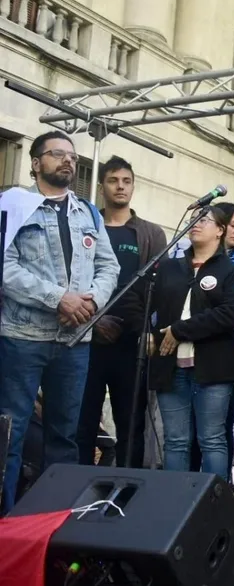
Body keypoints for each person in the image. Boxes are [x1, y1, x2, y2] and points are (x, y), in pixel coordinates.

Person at [0, 131, 120, 513]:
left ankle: (51, 522)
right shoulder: (13, 206)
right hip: (22, 337)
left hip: (74, 342)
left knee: (64, 437)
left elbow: (108, 266)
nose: (68, 161)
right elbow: (5, 267)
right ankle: (6, 519)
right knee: (10, 434)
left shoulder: (87, 212)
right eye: (57, 154)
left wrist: (92, 301)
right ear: (35, 163)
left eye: (72, 155)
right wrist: (58, 299)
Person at [77, 155, 167, 469]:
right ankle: (75, 491)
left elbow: (160, 289)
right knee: (82, 422)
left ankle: (128, 494)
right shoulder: (86, 226)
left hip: (132, 342)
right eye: (114, 180)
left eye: (126, 181)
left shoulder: (150, 233)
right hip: (86, 337)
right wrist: (94, 321)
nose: (120, 187)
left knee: (131, 424)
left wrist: (147, 330)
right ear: (101, 185)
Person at [146, 206, 234, 480]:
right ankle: (172, 509)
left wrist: (180, 331)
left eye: (205, 220)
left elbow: (229, 315)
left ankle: (214, 510)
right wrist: (149, 333)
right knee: (176, 441)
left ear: (220, 230)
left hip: (213, 368)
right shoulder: (169, 268)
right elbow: (148, 309)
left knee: (212, 438)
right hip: (170, 367)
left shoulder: (233, 272)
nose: (195, 224)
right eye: (193, 219)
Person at [188, 203, 234, 480]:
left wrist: (224, 293)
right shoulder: (189, 258)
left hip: (232, 350)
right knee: (189, 427)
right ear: (219, 226)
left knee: (220, 423)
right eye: (233, 225)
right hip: (189, 348)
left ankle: (220, 490)